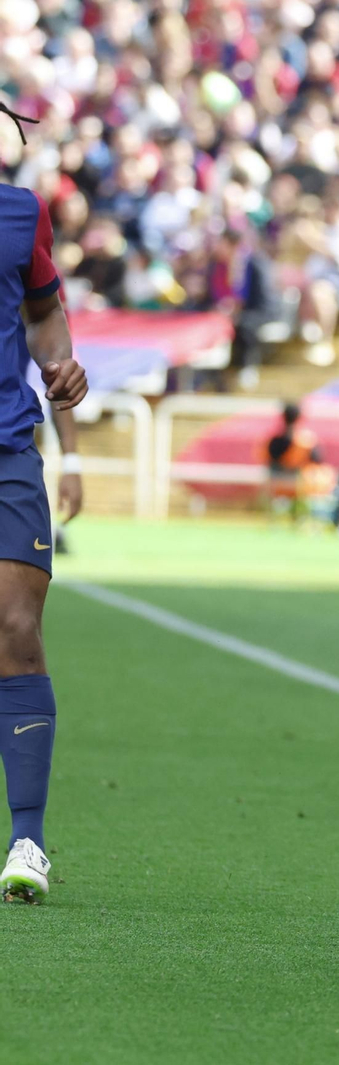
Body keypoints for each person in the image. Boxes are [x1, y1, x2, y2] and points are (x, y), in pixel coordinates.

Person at [0, 174, 90, 903]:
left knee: (17, 629)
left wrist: (72, 438)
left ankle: (26, 840)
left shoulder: (23, 209)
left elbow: (46, 319)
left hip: (7, 450)